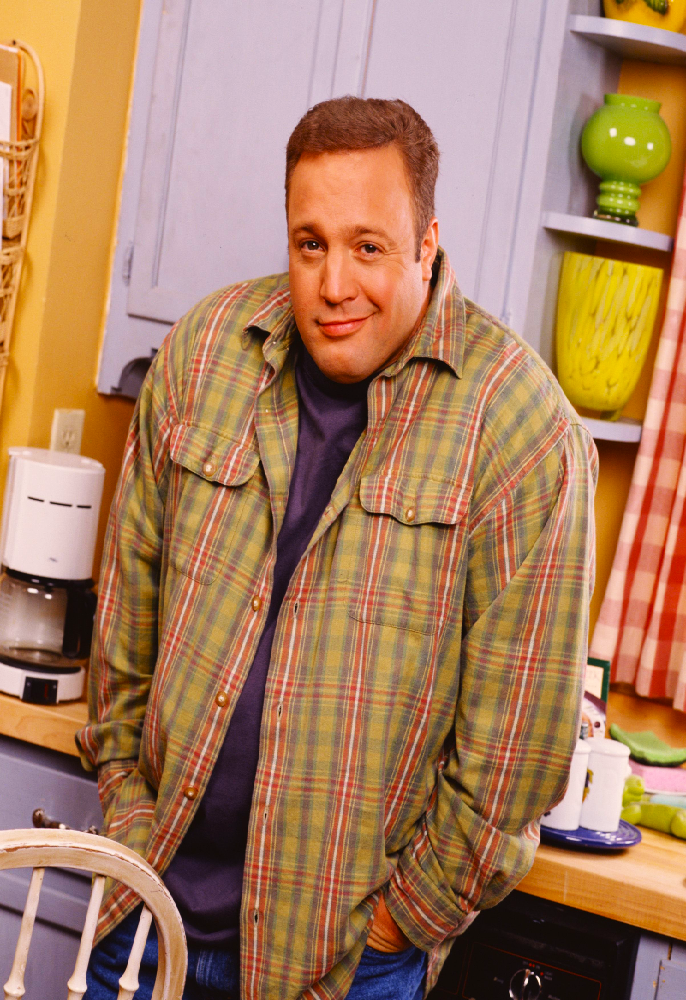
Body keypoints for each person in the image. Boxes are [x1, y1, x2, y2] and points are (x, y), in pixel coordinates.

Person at [78, 96, 597, 1000]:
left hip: (344, 966)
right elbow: (125, 622)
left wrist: (403, 920)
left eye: (368, 246)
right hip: (144, 916)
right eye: (310, 243)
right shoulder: (203, 356)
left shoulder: (520, 431)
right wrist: (127, 807)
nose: (333, 284)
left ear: (427, 243)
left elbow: (516, 753)